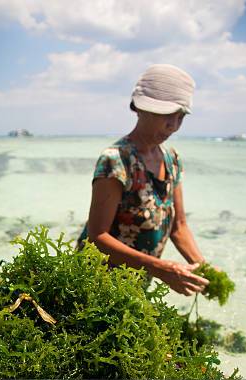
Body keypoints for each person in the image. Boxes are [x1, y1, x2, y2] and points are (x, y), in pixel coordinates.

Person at [78, 64, 209, 296]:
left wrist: (204, 270)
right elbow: (97, 237)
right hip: (95, 285)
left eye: (180, 117)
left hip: (135, 286)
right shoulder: (116, 160)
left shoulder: (172, 160)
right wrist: (160, 268)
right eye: (167, 115)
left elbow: (179, 227)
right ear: (140, 109)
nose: (174, 126)